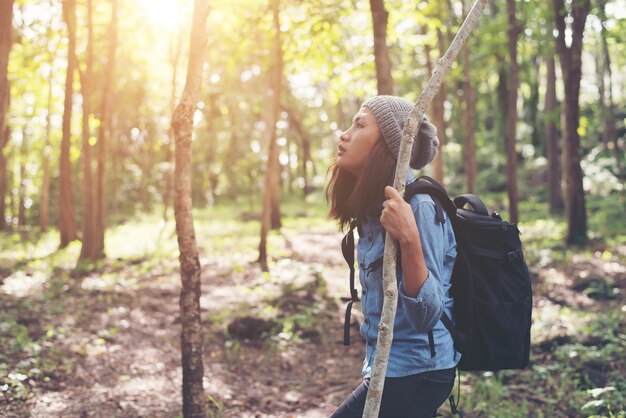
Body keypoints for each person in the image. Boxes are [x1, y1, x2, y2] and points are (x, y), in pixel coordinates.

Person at [326, 95, 460, 418]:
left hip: (420, 371)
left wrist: (410, 239)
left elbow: (427, 315)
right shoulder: (373, 209)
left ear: (386, 145)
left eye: (359, 125)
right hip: (386, 365)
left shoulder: (420, 208)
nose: (344, 134)